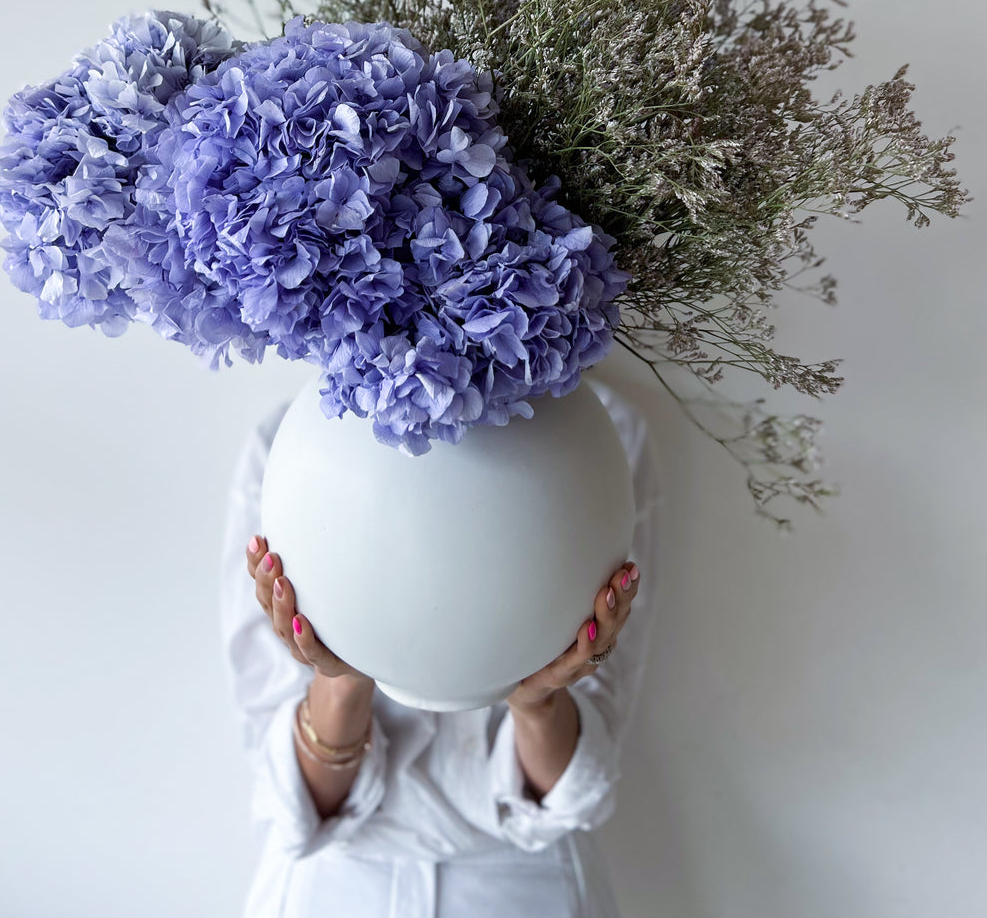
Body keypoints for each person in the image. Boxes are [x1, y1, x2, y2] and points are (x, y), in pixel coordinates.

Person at [219, 349, 661, 918]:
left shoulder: (603, 432)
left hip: (526, 888)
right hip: (335, 888)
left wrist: (538, 700)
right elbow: (295, 805)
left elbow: (571, 795)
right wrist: (341, 677)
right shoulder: (298, 441)